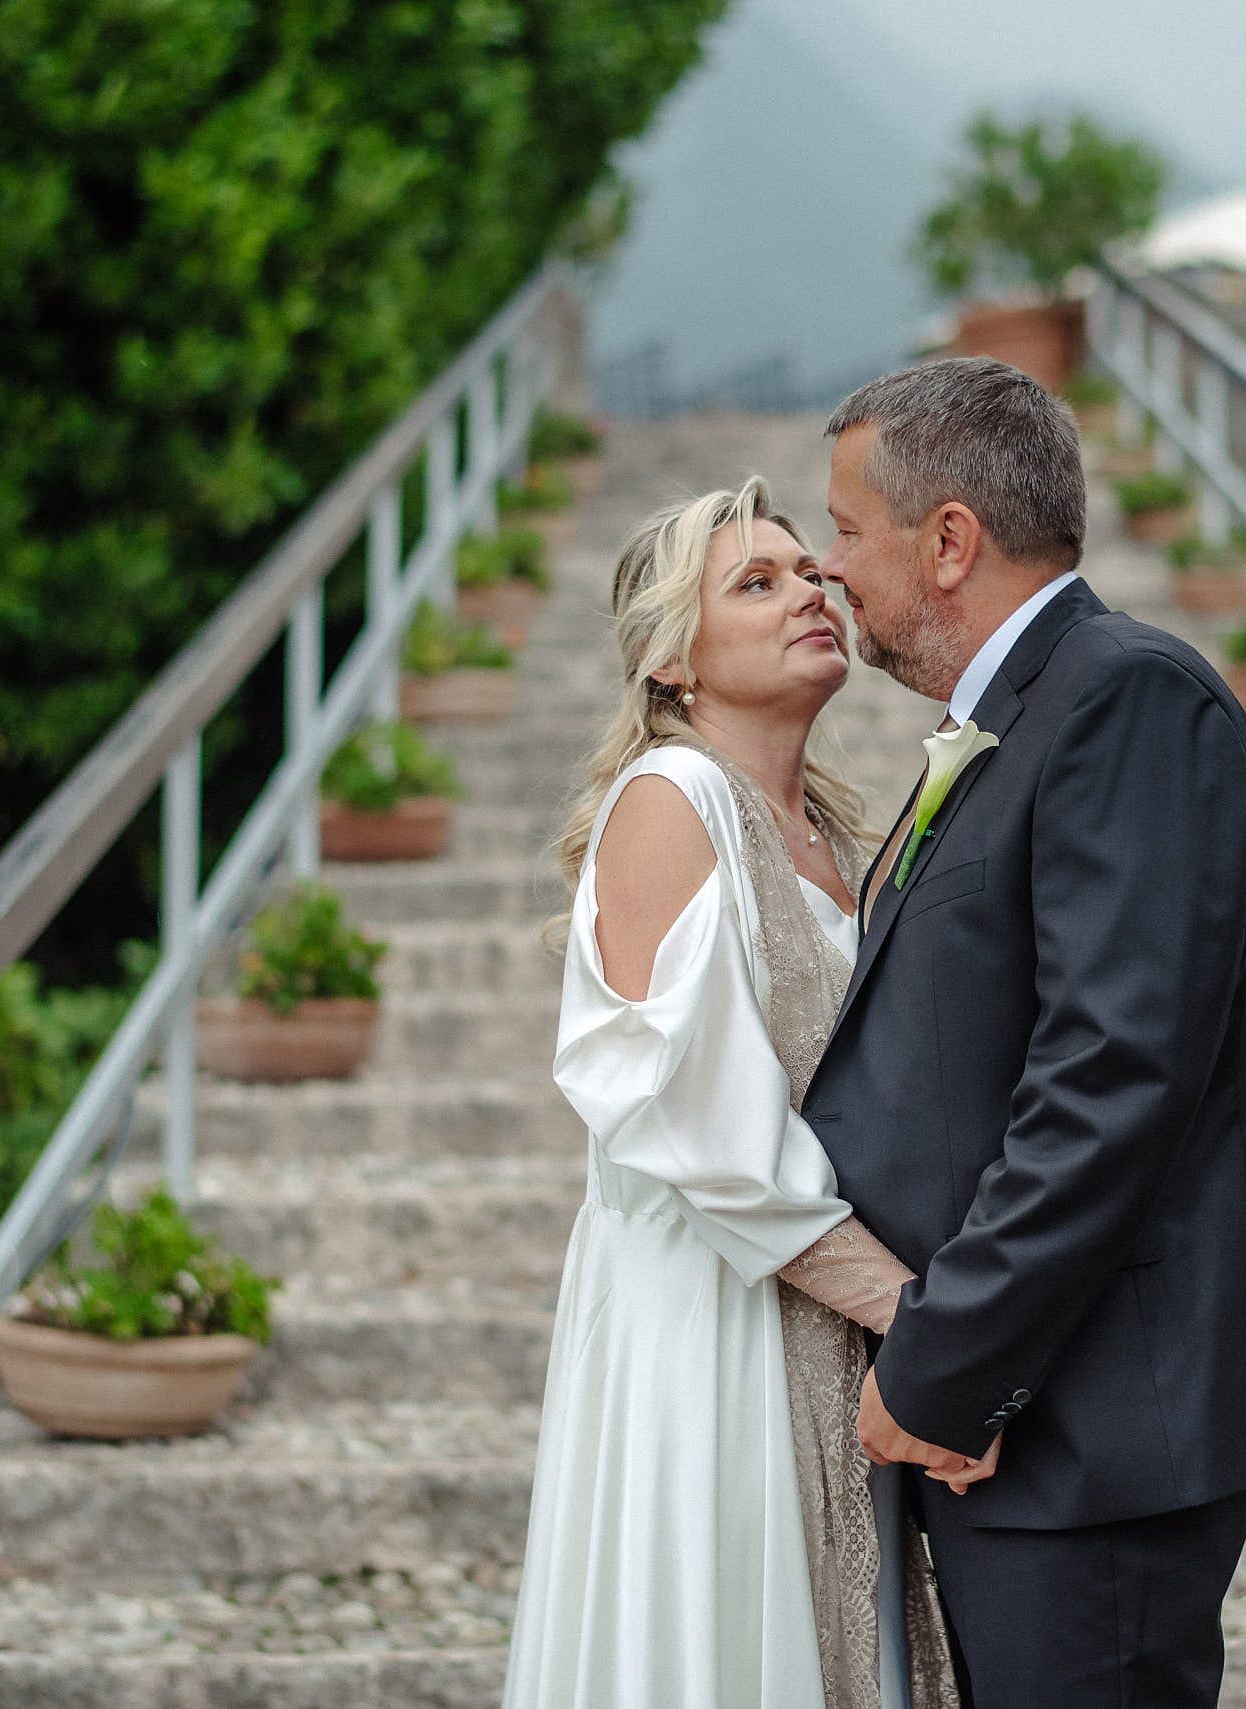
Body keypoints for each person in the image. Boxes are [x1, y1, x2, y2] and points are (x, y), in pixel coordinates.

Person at [807, 357, 1246, 1708]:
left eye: (843, 530)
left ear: (949, 541)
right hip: (1038, 1425)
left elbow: (1111, 1080)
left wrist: (945, 1367)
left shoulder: (1128, 700)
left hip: (1094, 1422)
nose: (829, 570)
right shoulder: (1017, 716)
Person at [504, 480, 963, 1709]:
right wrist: (928, 1326)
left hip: (800, 1307)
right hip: (706, 1323)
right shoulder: (673, 800)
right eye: (754, 583)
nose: (808, 591)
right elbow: (695, 1128)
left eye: (810, 569)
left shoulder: (827, 827)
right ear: (669, 661)